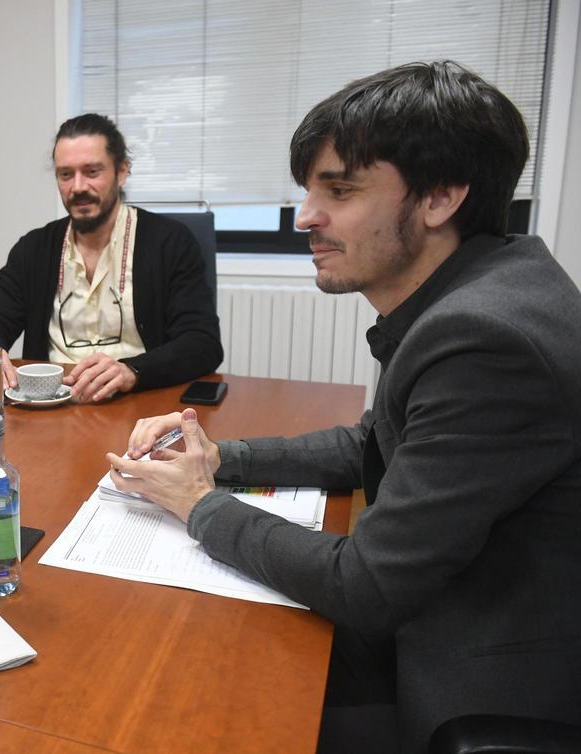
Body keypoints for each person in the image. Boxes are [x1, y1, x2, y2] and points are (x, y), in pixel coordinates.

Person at [107, 61, 581, 753]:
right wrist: (221, 457)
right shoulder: (485, 286)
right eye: (309, 191)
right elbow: (373, 442)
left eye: (341, 190)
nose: (305, 217)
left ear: (441, 196)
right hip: (451, 609)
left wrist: (199, 504)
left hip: (470, 679)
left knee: (191, 700)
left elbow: (366, 586)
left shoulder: (483, 337)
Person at [0, 114, 222, 402]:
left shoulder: (169, 242)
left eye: (92, 172)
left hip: (138, 405)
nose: (78, 187)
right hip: (52, 410)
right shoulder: (34, 249)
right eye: (66, 174)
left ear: (122, 171)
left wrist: (133, 371)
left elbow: (202, 343)